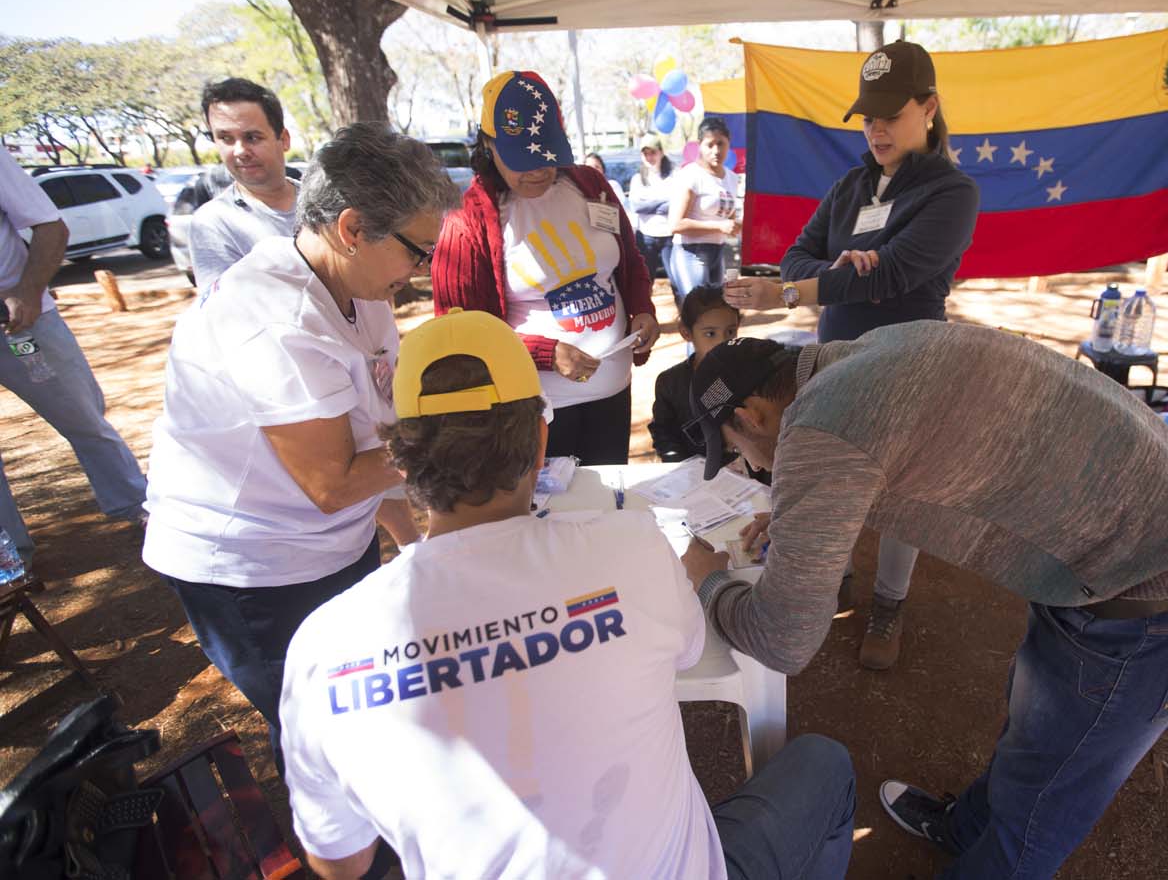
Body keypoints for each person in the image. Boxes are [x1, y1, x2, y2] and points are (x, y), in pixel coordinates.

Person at [278, 308, 857, 879]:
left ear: (400, 458)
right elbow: (686, 653)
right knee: (824, 765)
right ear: (539, 440)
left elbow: (341, 862)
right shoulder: (631, 546)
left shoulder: (322, 646)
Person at [680, 325, 1168, 880]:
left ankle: (985, 846)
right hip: (1126, 550)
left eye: (738, 451)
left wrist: (709, 580)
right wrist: (804, 511)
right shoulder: (861, 356)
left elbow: (784, 639)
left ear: (751, 415)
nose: (752, 467)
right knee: (1036, 730)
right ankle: (964, 828)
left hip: (1166, 596)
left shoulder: (820, 429)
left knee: (1042, 806)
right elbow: (888, 452)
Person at [143, 123, 459, 771]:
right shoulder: (276, 319)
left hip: (324, 544)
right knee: (318, 724)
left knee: (357, 699)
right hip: (250, 572)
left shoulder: (358, 287)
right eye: (418, 251)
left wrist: (407, 539)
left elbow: (376, 430)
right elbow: (335, 482)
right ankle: (352, 863)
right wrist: (456, 433)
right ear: (351, 228)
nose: (423, 271)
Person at [723, 40, 979, 670]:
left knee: (902, 491)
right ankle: (829, 575)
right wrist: (823, 273)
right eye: (868, 117)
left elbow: (888, 277)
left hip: (908, 363)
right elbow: (799, 257)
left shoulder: (952, 193)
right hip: (834, 360)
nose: (877, 128)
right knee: (825, 469)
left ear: (930, 108)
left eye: (891, 114)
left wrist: (800, 288)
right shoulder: (849, 185)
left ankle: (889, 602)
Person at [432, 70, 660, 466]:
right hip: (536, 410)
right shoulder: (468, 223)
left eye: (547, 157)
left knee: (605, 506)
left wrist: (642, 309)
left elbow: (630, 261)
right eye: (523, 160)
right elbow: (461, 335)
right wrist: (544, 353)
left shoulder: (590, 184)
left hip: (612, 392)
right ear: (488, 145)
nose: (538, 170)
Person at [0, 148, 147, 566]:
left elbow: (50, 227)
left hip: (21, 326)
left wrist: (27, 293)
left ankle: (137, 503)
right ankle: (10, 562)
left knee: (83, 418)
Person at [189, 78, 299, 292]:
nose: (240, 151)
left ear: (284, 139)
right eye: (226, 138)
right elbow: (228, 314)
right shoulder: (213, 224)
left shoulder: (326, 204)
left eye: (252, 137)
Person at [649, 285, 739, 462]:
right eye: (710, 333)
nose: (722, 342)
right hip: (690, 476)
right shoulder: (670, 382)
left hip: (745, 475)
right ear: (686, 333)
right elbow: (664, 433)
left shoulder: (751, 374)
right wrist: (679, 465)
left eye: (730, 332)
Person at [668, 117, 741, 303]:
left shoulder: (732, 178)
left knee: (715, 310)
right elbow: (675, 224)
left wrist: (736, 226)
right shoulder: (690, 175)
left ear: (728, 144)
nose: (716, 150)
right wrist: (719, 227)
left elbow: (727, 217)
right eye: (710, 145)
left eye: (721, 144)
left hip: (718, 251)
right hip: (690, 252)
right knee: (698, 310)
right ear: (700, 145)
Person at [628, 133, 674, 283]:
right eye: (645, 153)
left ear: (661, 152)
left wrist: (650, 204)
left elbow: (675, 203)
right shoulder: (637, 179)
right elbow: (637, 206)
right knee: (646, 283)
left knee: (676, 283)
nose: (649, 157)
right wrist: (662, 203)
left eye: (653, 152)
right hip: (646, 236)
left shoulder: (673, 176)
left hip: (669, 236)